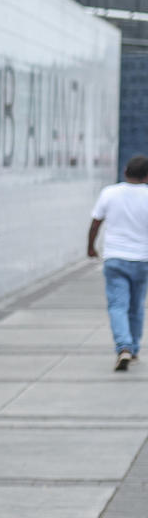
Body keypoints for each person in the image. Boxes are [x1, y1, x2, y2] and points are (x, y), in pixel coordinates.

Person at [88, 155, 148, 371]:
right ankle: (133, 348)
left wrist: (91, 246)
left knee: (117, 305)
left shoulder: (109, 192)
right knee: (136, 306)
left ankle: (123, 346)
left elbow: (96, 223)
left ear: (125, 172)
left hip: (115, 258)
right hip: (142, 259)